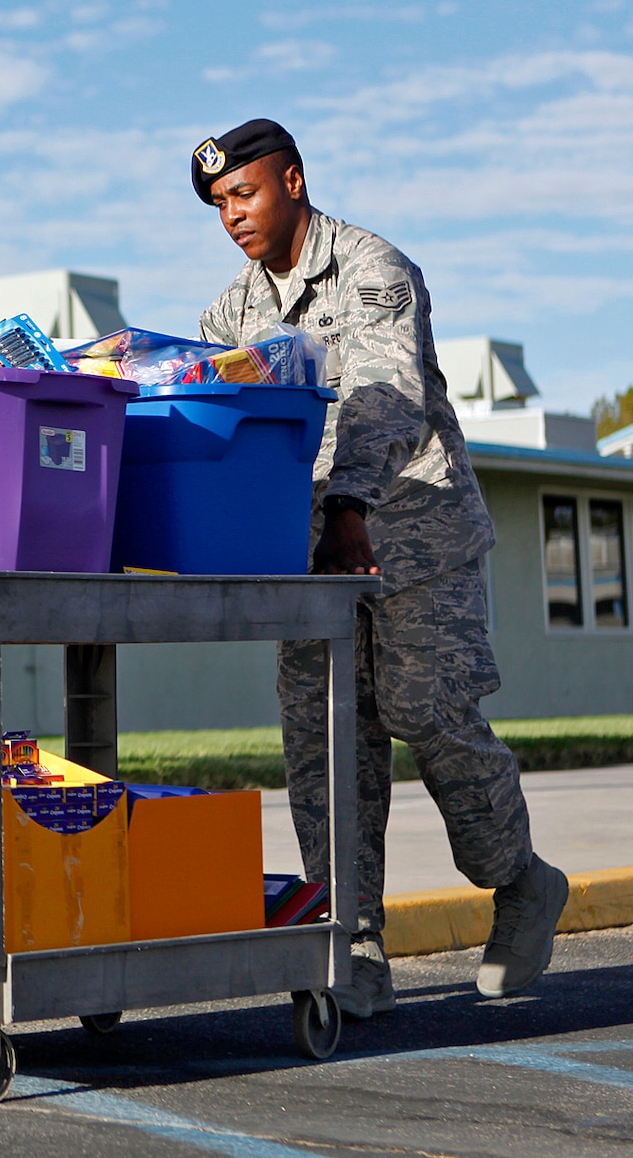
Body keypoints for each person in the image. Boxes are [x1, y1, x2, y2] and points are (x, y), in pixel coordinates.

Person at [190, 118, 567, 1019]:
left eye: (244, 192)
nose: (233, 215)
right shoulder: (228, 313)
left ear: (292, 179)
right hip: (307, 554)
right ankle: (350, 942)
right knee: (325, 745)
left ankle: (519, 879)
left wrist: (349, 502)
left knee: (426, 712)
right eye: (217, 204)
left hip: (412, 532)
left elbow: (384, 395)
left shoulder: (375, 269)